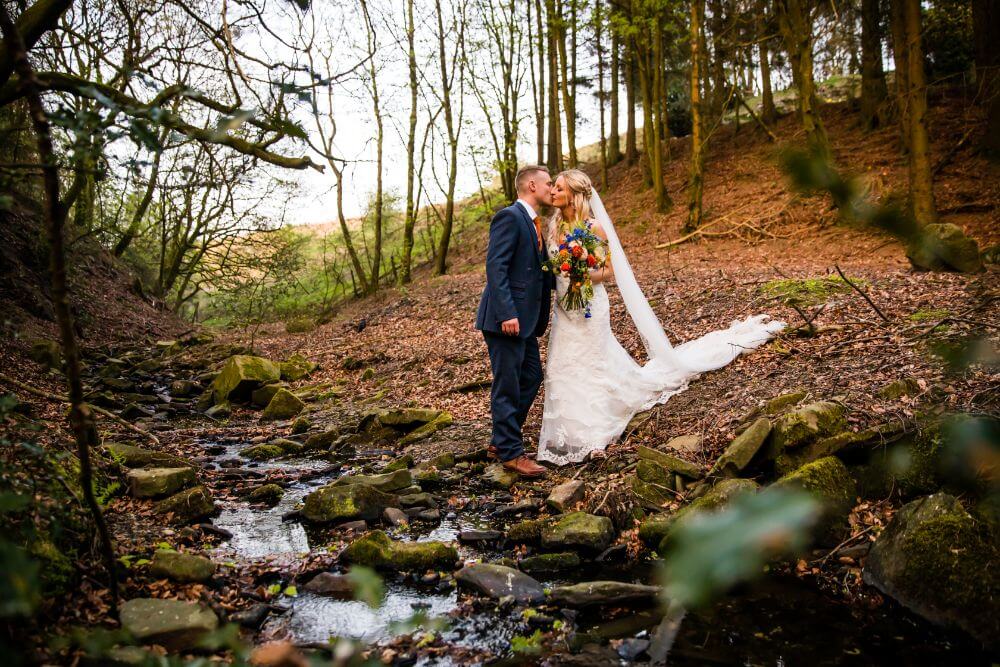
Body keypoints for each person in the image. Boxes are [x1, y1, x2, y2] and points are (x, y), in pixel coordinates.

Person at [538, 169, 786, 465]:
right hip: (565, 308)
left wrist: (580, 273)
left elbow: (609, 272)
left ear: (575, 196)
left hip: (590, 305)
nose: (552, 191)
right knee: (562, 363)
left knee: (591, 361)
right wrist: (561, 273)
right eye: (552, 187)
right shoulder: (552, 227)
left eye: (559, 188)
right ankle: (567, 430)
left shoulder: (595, 228)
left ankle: (594, 432)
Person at [474, 165, 555, 478]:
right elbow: (496, 268)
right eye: (548, 183)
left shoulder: (535, 223)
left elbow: (536, 272)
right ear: (532, 185)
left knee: (532, 376)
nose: (552, 188)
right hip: (504, 320)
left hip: (526, 321)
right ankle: (511, 452)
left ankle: (501, 439)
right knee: (507, 384)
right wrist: (507, 312)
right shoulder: (510, 216)